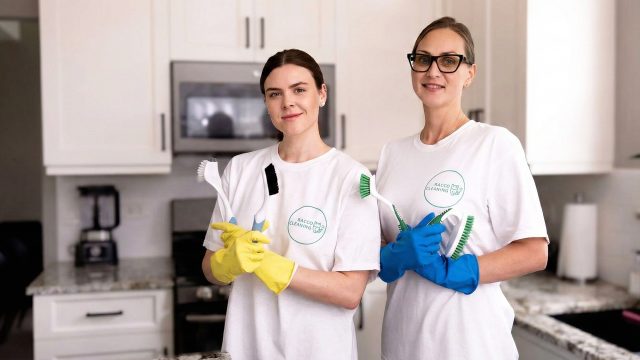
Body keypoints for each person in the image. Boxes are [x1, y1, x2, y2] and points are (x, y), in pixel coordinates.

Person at [376, 17, 549, 359]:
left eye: (449, 60)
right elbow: (377, 241)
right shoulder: (391, 153)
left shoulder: (494, 144)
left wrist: (461, 271)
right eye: (423, 59)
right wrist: (390, 256)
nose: (433, 71)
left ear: (470, 73)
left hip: (471, 345)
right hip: (402, 345)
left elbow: (534, 251)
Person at [201, 49, 381, 360]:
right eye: (275, 94)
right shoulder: (241, 170)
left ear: (321, 94)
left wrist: (274, 267)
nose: (288, 102)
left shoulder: (350, 177)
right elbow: (209, 268)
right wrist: (226, 262)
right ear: (266, 103)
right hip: (247, 348)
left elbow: (350, 292)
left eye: (299, 89)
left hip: (319, 351)